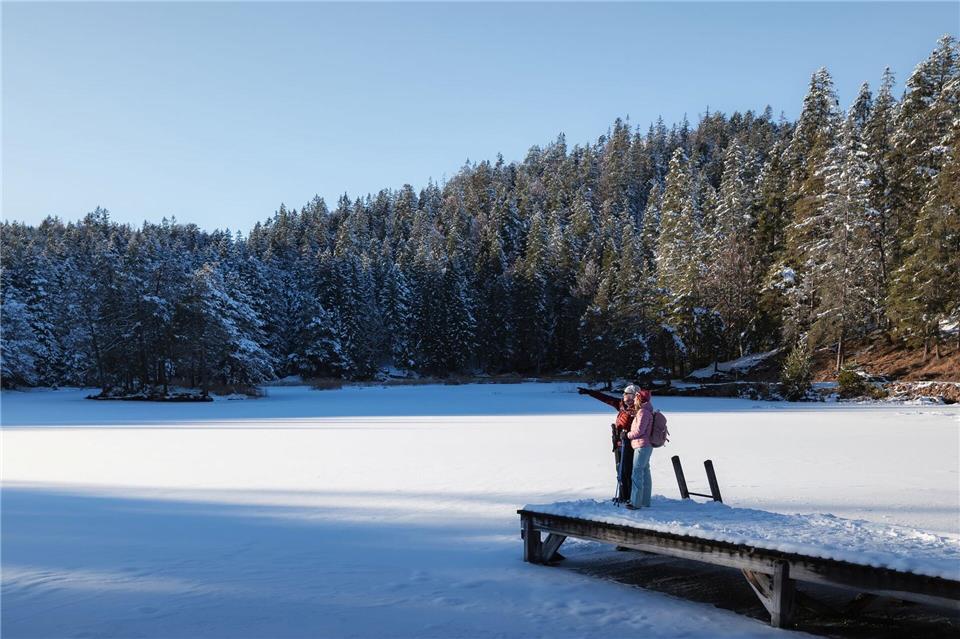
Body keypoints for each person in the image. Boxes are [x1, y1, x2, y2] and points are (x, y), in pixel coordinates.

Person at [577, 384, 638, 502]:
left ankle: (629, 497)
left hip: (629, 444)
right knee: (619, 469)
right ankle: (623, 495)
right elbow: (606, 398)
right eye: (624, 394)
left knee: (627, 470)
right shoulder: (621, 405)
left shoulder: (638, 409)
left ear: (634, 396)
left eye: (627, 394)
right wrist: (590, 392)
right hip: (618, 443)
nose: (624, 396)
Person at [626, 389, 654, 510]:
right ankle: (644, 501)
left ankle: (636, 502)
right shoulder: (645, 411)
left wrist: (627, 435)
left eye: (637, 397)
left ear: (640, 399)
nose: (635, 399)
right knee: (645, 472)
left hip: (642, 446)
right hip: (646, 445)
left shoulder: (643, 412)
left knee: (637, 472)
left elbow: (639, 431)